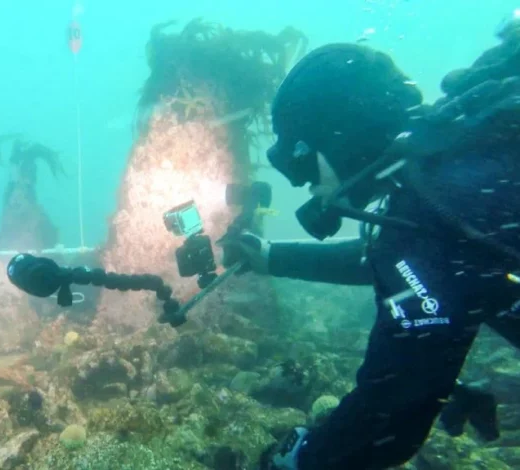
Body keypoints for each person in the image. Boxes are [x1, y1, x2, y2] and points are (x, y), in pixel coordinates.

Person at [221, 27, 520, 470]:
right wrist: (272, 256)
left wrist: (299, 459)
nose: (304, 183)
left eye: (303, 160)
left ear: (340, 141)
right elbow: (393, 258)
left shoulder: (432, 209)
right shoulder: (451, 164)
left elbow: (389, 418)